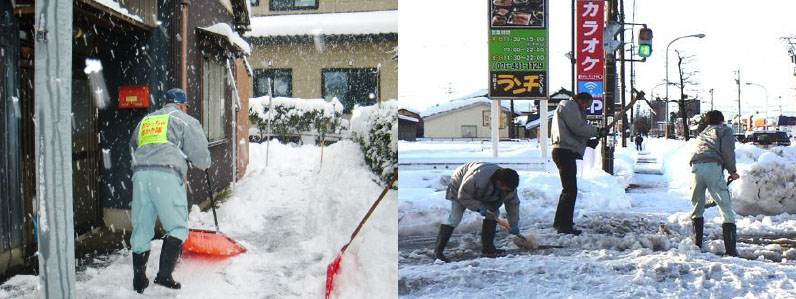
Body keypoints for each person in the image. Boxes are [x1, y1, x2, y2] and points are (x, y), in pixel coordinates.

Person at [129, 88, 211, 293]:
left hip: (140, 175)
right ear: (182, 105)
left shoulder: (146, 121)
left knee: (141, 227)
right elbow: (201, 158)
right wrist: (201, 162)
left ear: (164, 103)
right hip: (165, 175)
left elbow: (133, 146)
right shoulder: (184, 121)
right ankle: (164, 276)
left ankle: (139, 280)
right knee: (176, 227)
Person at [433, 162, 521, 262]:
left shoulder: (509, 187)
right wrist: (479, 207)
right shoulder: (477, 178)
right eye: (506, 189)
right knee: (455, 218)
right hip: (460, 186)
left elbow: (512, 204)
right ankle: (438, 252)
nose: (507, 191)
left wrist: (514, 223)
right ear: (499, 182)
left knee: (493, 214)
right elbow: (463, 197)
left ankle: (488, 249)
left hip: (483, 190)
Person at [550, 92, 608, 235]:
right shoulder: (569, 106)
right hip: (564, 152)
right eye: (586, 105)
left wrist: (588, 142)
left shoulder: (570, 108)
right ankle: (564, 225)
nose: (586, 109)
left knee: (568, 190)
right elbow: (578, 127)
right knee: (570, 190)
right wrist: (597, 131)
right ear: (582, 100)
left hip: (564, 150)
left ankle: (560, 222)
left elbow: (572, 133)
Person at [689, 110, 739, 256]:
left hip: (696, 168)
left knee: (697, 206)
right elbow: (728, 151)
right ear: (721, 120)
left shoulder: (702, 133)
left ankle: (696, 245)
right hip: (713, 167)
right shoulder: (724, 130)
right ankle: (730, 250)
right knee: (725, 208)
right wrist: (732, 171)